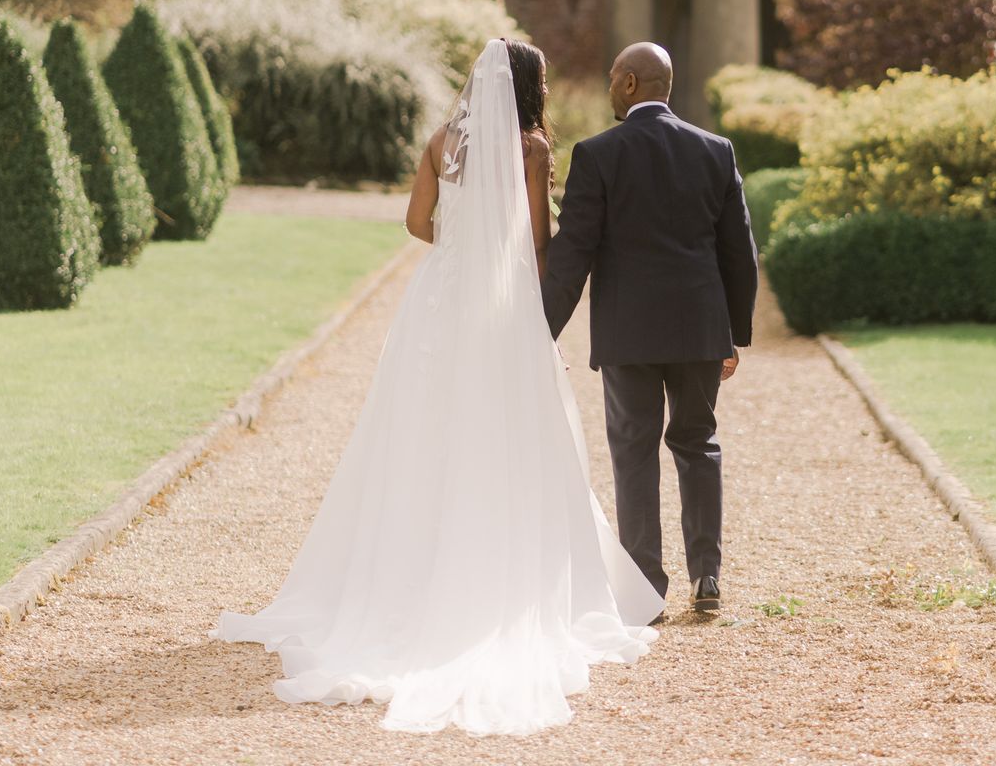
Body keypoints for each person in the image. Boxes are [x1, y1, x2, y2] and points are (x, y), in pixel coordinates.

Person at [211, 38, 663, 737]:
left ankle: (408, 565)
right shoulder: (533, 148)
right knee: (506, 428)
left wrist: (461, 244)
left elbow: (417, 222)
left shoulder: (440, 141)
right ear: (526, 86)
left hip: (438, 298)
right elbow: (540, 240)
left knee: (422, 425)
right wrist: (520, 286)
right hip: (502, 299)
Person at [541, 42, 759, 615]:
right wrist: (733, 334)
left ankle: (645, 589)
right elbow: (741, 252)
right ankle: (707, 578)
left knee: (633, 453)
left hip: (629, 336)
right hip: (698, 332)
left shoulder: (597, 155)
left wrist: (540, 329)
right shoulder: (716, 150)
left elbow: (572, 257)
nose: (610, 86)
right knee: (698, 445)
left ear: (632, 84)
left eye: (614, 77)